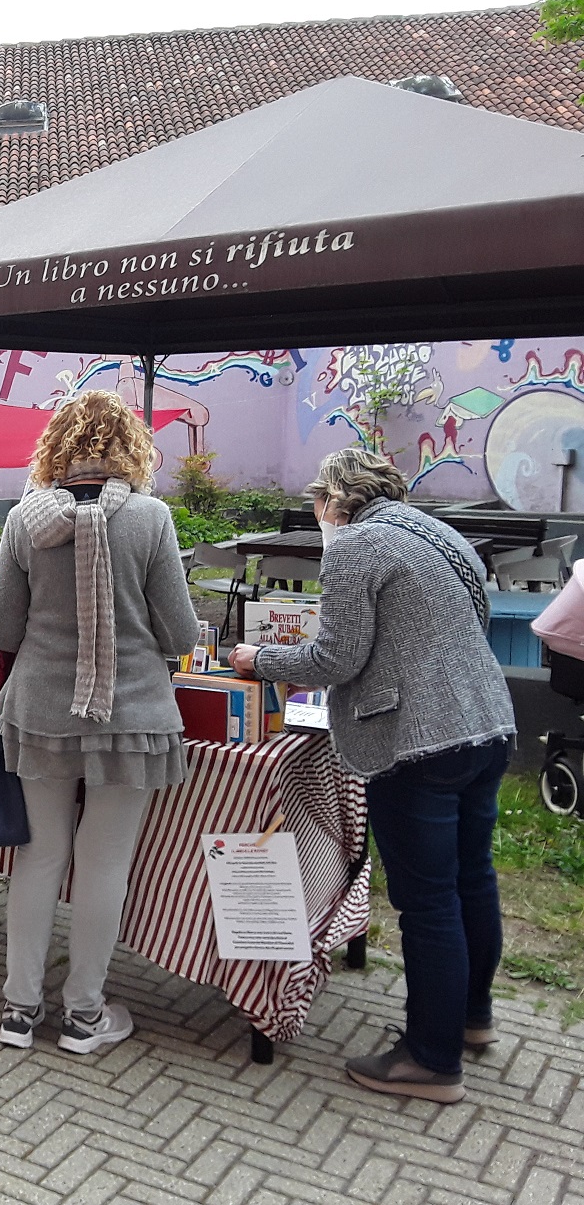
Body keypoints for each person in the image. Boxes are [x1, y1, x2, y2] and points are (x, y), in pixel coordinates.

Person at [231, 448, 514, 1104]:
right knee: (473, 879)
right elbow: (465, 628)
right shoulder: (441, 533)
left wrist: (259, 656)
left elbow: (336, 656)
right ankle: (471, 1018)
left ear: (334, 500)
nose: (317, 516)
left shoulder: (357, 545)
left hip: (419, 744)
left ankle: (431, 1060)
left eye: (316, 504)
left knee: (429, 901)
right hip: (489, 725)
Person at [0, 389, 200, 1055]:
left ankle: (19, 1011)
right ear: (130, 447)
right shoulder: (152, 518)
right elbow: (181, 630)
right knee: (104, 864)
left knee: (39, 857)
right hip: (131, 714)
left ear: (58, 447)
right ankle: (83, 1016)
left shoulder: (26, 518)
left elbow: (1, 629)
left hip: (40, 709)